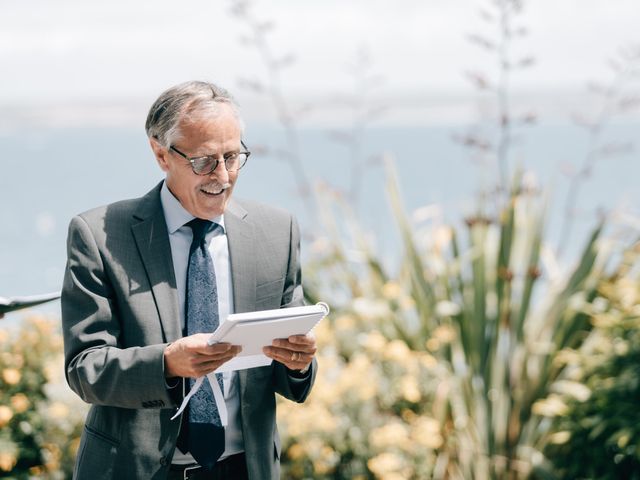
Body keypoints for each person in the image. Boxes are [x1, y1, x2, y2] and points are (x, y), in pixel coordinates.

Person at [61, 80, 317, 480]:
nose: (223, 176)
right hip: (134, 470)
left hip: (245, 469)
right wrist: (166, 363)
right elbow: (84, 369)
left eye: (232, 157)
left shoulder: (276, 231)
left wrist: (299, 362)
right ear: (161, 153)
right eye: (204, 161)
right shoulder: (99, 235)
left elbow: (291, 373)